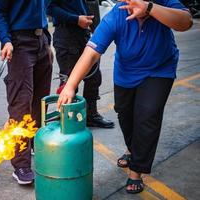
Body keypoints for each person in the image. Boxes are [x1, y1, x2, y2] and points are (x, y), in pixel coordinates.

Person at [57, 0, 192, 194]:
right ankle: (132, 149)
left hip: (160, 69)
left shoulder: (164, 4)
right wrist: (70, 85)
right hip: (126, 72)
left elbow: (185, 22)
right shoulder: (117, 15)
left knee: (147, 115)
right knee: (124, 114)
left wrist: (150, 9)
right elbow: (92, 52)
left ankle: (136, 170)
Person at [0, 0, 53, 185]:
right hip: (19, 44)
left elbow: (44, 8)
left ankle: (34, 143)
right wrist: (6, 40)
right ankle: (21, 164)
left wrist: (47, 42)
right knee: (21, 105)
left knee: (41, 103)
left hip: (41, 41)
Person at [47, 0, 115, 128]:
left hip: (84, 34)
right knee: (69, 82)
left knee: (94, 78)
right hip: (66, 35)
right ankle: (67, 119)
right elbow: (49, 9)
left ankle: (91, 115)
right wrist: (76, 19)